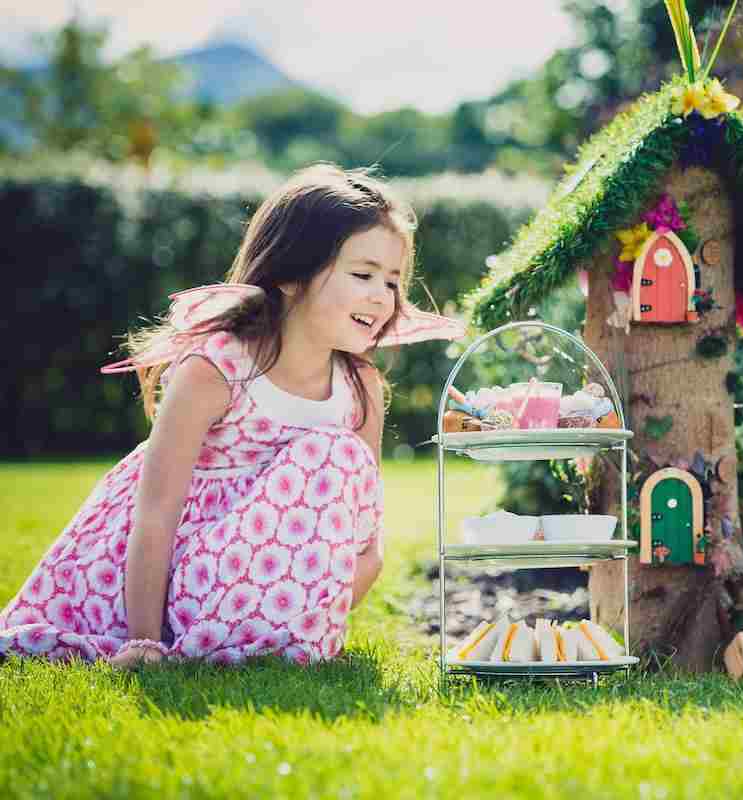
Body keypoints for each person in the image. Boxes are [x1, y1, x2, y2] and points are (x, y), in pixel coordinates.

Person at [0, 164, 464, 668]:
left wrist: (314, 610)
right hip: (180, 581)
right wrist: (143, 640)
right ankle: (201, 639)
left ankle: (268, 643)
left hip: (267, 593)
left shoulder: (359, 388)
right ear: (290, 276)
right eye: (362, 274)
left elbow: (365, 539)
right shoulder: (217, 369)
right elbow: (155, 514)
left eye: (393, 282)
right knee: (329, 452)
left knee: (336, 455)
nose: (383, 296)